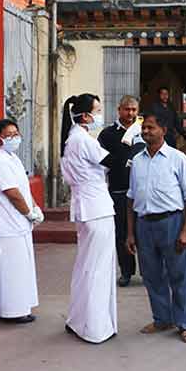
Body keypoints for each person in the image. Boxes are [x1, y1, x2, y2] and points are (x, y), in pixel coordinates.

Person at [126, 113, 186, 344]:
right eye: (143, 128)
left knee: (179, 275)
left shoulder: (178, 159)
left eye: (150, 127)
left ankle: (185, 323)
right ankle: (162, 319)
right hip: (144, 225)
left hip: (172, 223)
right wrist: (130, 233)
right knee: (151, 275)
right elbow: (130, 198)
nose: (145, 131)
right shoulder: (137, 160)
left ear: (163, 130)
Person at [60, 93, 118, 344]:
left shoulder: (72, 140)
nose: (99, 115)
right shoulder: (84, 141)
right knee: (98, 268)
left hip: (87, 208)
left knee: (86, 266)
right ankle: (95, 327)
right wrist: (129, 143)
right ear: (85, 116)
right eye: (97, 110)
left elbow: (100, 166)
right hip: (97, 209)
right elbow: (113, 162)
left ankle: (78, 319)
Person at [0, 119, 43, 324]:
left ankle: (21, 307)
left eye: (16, 133)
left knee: (22, 268)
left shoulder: (11, 157)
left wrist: (34, 207)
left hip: (17, 223)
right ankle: (11, 312)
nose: (15, 138)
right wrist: (29, 213)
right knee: (11, 270)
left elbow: (22, 187)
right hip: (6, 224)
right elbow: (12, 193)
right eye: (9, 135)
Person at [97, 95, 145, 287]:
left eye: (134, 110)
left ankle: (148, 272)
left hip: (142, 191)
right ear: (119, 110)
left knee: (143, 232)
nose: (131, 113)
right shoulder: (107, 134)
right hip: (118, 190)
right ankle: (126, 272)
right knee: (122, 233)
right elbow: (100, 162)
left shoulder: (144, 130)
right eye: (127, 109)